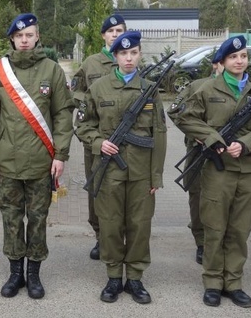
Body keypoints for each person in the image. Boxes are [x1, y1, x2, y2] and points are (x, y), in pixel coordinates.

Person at [173, 36, 251, 308]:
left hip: (247, 171)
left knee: (240, 229)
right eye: (233, 57)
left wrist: (246, 144)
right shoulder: (207, 89)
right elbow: (185, 117)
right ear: (222, 62)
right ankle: (211, 282)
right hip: (216, 171)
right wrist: (211, 138)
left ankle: (233, 282)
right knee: (215, 228)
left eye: (243, 56)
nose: (239, 61)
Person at [0, 13, 74, 299]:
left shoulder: (52, 71)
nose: (24, 40)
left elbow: (62, 115)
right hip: (6, 162)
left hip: (41, 162)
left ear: (37, 36)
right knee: (11, 218)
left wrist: (61, 154)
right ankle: (15, 273)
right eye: (19, 36)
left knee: (38, 218)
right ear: (12, 38)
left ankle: (34, 274)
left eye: (29, 35)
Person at [75, 31, 167, 304]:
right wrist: (98, 143)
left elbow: (159, 133)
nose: (129, 58)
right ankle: (114, 276)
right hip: (109, 171)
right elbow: (82, 125)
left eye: (134, 53)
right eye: (123, 54)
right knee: (111, 224)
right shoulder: (98, 88)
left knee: (139, 226)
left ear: (139, 55)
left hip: (141, 173)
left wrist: (156, 176)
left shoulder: (150, 89)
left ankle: (135, 278)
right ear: (115, 56)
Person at [70, 14, 126, 260]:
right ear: (103, 35)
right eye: (111, 30)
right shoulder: (91, 64)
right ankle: (100, 235)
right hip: (95, 137)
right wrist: (92, 103)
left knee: (124, 188)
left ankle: (120, 237)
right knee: (96, 185)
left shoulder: (129, 62)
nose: (115, 34)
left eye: (120, 30)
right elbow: (75, 91)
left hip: (125, 140)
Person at [167, 51, 224, 265]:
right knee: (198, 197)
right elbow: (175, 111)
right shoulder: (197, 86)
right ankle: (201, 242)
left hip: (228, 154)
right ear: (216, 65)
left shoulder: (243, 91)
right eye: (224, 61)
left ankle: (222, 241)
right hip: (199, 152)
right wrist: (198, 134)